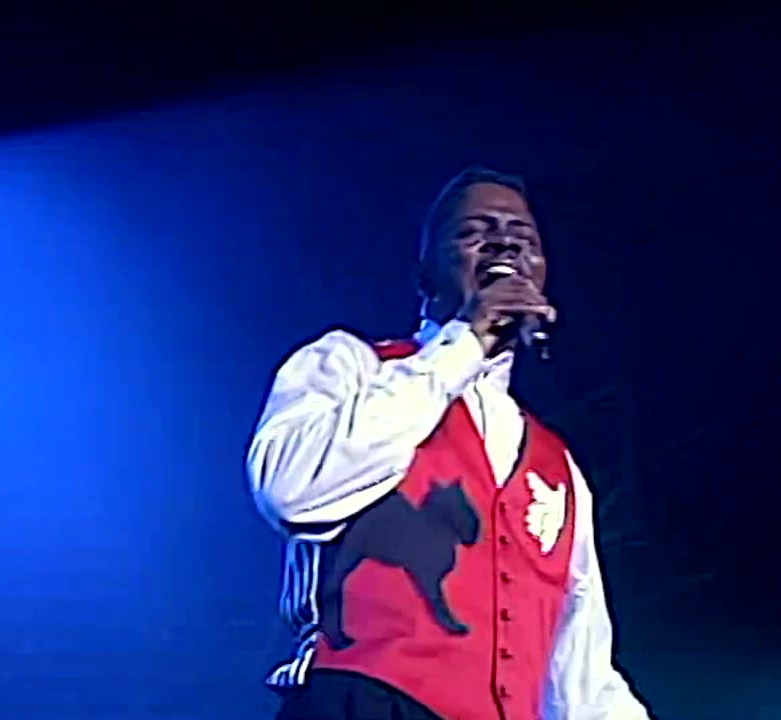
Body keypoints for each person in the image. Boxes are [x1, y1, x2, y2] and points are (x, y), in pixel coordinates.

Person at [247, 167, 651, 720]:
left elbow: (582, 671)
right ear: (427, 277)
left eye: (523, 237)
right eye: (475, 232)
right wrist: (466, 342)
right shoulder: (351, 365)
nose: (505, 244)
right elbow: (290, 490)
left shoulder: (558, 469)